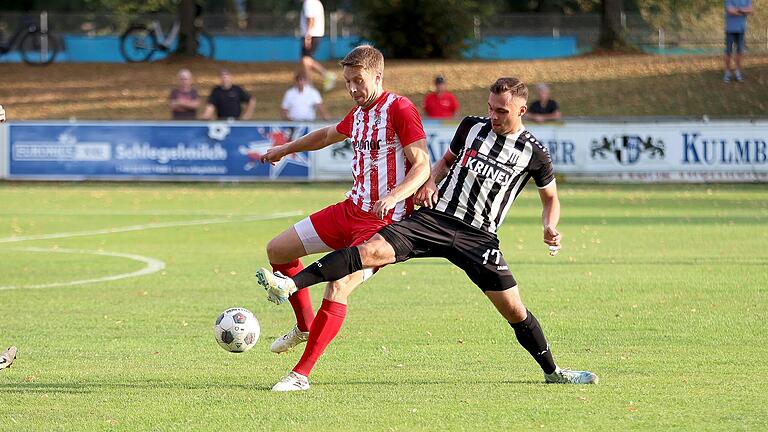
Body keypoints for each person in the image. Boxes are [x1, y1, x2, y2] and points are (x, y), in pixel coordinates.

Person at [257, 77, 599, 390]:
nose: (493, 115)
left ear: (521, 110)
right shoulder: (471, 127)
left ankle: (553, 372)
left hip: (478, 238)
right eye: (490, 108)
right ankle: (292, 284)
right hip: (433, 220)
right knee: (370, 251)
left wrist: (549, 225)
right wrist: (431, 181)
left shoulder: (534, 152)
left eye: (501, 111)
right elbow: (445, 161)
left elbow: (550, 199)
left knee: (514, 310)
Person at [256, 45, 430, 391]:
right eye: (348, 81)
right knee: (278, 250)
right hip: (350, 210)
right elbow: (324, 136)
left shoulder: (400, 109)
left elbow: (422, 163)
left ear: (377, 76)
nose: (352, 89)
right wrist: (284, 149)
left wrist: (394, 196)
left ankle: (300, 374)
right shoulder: (359, 112)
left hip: (382, 226)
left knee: (338, 286)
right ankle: (304, 326)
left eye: (358, 81)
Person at [300, 0, 336, 91]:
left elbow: (311, 19)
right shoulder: (316, 2)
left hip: (312, 35)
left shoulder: (309, 2)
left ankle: (310, 86)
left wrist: (308, 36)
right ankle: (326, 76)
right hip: (315, 34)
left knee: (305, 60)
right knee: (307, 60)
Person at [724, 0, 753, 82]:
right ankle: (727, 73)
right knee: (728, 52)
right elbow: (730, 11)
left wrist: (737, 10)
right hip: (730, 29)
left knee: (739, 51)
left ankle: (737, 72)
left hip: (741, 29)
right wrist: (743, 11)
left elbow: (750, 10)